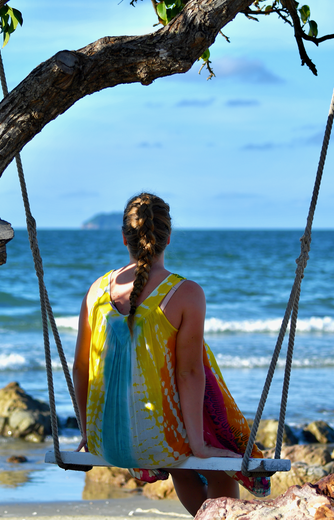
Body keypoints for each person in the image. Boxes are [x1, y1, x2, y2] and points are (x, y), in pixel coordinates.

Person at [73, 193, 270, 516]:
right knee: (216, 460)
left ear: (124, 237)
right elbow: (189, 374)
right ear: (168, 238)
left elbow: (81, 368)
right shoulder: (186, 293)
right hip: (157, 440)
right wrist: (199, 445)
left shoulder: (96, 290)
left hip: (105, 442)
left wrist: (87, 433)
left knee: (179, 461)